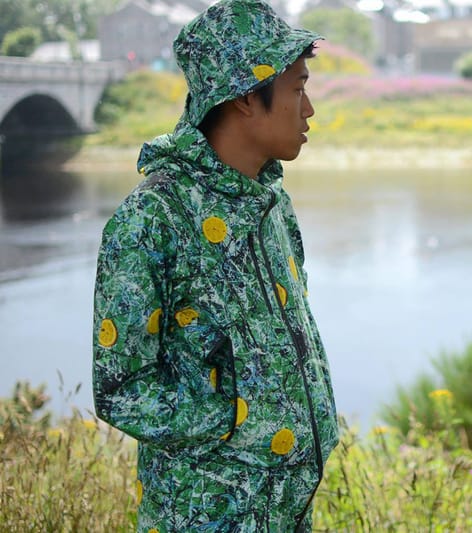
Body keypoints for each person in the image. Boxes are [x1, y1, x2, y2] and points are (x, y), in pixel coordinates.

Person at [91, 1, 339, 531]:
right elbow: (121, 389)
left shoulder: (272, 207)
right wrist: (242, 426)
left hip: (288, 511)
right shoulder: (153, 218)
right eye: (297, 89)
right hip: (206, 517)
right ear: (248, 97)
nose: (310, 108)